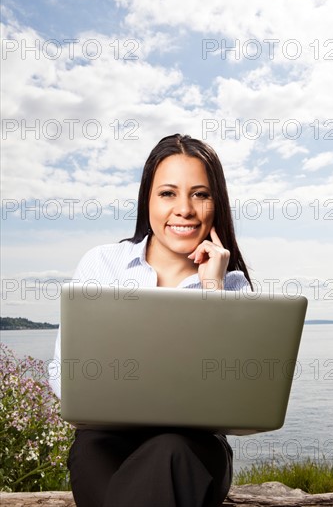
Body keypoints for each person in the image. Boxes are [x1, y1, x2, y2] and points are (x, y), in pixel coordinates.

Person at [50, 133, 252, 507]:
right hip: (105, 443)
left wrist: (213, 288)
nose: (185, 209)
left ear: (216, 203)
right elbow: (64, 373)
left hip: (194, 450)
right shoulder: (103, 263)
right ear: (148, 199)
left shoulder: (232, 286)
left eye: (200, 194)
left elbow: (236, 394)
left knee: (170, 450)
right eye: (168, 193)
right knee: (100, 453)